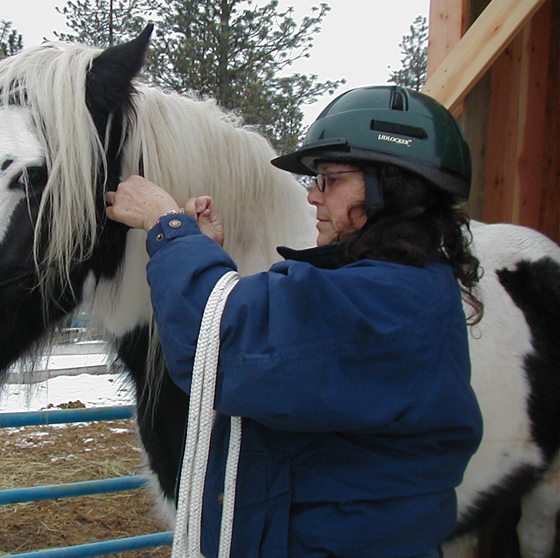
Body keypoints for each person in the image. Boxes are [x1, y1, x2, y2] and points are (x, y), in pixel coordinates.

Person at [105, 85, 483, 558]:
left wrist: (168, 225)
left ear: (392, 185)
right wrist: (206, 253)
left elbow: (218, 346)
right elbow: (285, 345)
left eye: (330, 180)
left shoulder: (384, 298)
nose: (313, 196)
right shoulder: (398, 286)